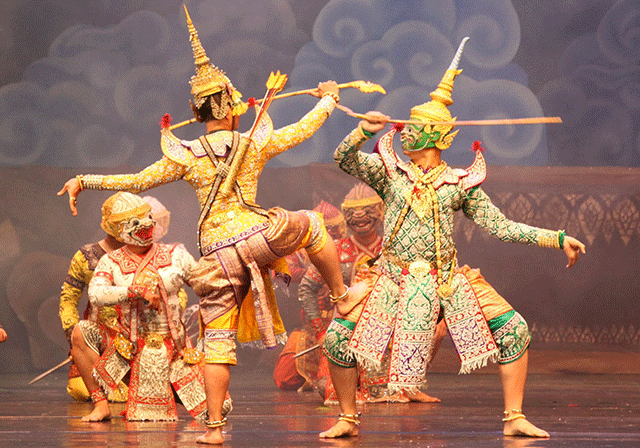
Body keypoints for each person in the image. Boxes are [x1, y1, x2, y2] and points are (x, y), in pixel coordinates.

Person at [58, 6, 350, 444]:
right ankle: (342, 295)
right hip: (257, 236)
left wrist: (84, 179)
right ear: (231, 106)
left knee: (217, 340)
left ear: (197, 113)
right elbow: (303, 129)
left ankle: (213, 429)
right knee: (310, 223)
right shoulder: (252, 141)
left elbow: (138, 181)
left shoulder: (186, 154)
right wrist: (329, 99)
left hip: (217, 257)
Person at [320, 38, 586, 439]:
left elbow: (501, 226)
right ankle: (347, 417)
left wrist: (556, 238)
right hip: (391, 279)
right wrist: (362, 131)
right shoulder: (390, 173)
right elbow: (343, 158)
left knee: (514, 330)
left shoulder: (459, 184)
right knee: (338, 339)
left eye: (413, 127)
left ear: (433, 136)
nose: (403, 132)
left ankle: (514, 417)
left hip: (446, 281)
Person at [72, 192, 208, 422]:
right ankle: (101, 404)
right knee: (81, 332)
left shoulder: (176, 255)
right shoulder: (111, 261)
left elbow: (205, 283)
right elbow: (95, 294)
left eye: (148, 217)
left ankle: (180, 387)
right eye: (135, 222)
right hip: (129, 351)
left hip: (175, 352)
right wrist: (135, 291)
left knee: (215, 408)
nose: (145, 225)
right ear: (119, 230)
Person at [273, 200, 346, 391]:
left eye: (333, 231)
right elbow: (280, 272)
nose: (329, 236)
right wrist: (316, 276)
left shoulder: (346, 250)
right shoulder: (299, 249)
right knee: (284, 378)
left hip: (343, 322)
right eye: (325, 231)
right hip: (311, 325)